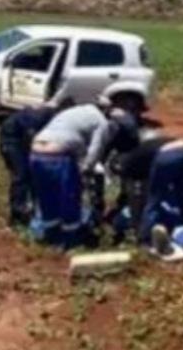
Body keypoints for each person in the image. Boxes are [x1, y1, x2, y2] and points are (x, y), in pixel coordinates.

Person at [27, 102, 136, 247]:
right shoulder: (101, 122)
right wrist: (87, 169)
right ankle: (70, 239)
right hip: (58, 156)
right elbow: (95, 150)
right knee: (69, 197)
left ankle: (49, 234)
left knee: (48, 196)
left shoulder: (73, 112)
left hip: (36, 153)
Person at [0, 104, 59, 229]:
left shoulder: (52, 118)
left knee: (33, 176)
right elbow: (33, 138)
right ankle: (17, 215)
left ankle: (34, 210)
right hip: (12, 140)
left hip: (23, 139)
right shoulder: (41, 118)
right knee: (21, 176)